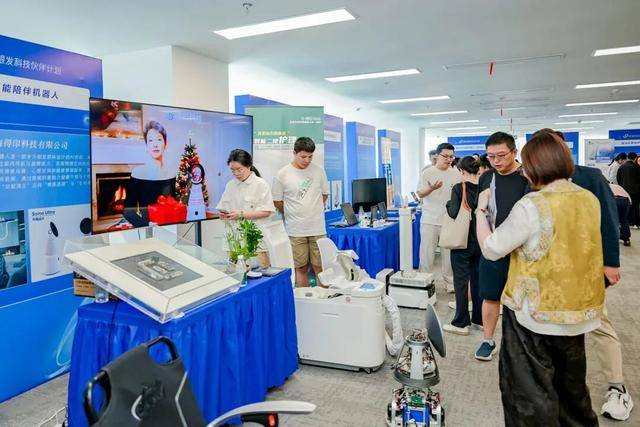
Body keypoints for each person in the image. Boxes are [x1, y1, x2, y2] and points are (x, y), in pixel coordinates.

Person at [476, 131, 605, 426]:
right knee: (572, 392)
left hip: (533, 315)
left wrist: (480, 212)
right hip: (577, 311)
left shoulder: (532, 204)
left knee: (529, 395)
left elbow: (492, 248)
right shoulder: (588, 198)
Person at [535, 128, 634, 421]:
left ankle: (617, 387)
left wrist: (611, 262)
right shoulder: (536, 181)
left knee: (599, 323)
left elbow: (608, 219)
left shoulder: (589, 177)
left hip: (585, 269)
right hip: (548, 271)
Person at [474, 132, 528, 361]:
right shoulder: (487, 178)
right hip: (492, 246)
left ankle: (520, 344)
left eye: (501, 155)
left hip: (521, 249)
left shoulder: (527, 177)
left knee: (521, 299)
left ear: (514, 152)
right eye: (491, 156)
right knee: (490, 294)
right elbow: (482, 212)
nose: (496, 161)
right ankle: (488, 340)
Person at [272, 137, 329, 287]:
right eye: (303, 157)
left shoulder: (319, 171)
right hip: (295, 230)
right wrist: (292, 212)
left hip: (317, 228)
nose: (307, 160)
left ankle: (323, 297)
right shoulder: (282, 174)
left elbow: (324, 195)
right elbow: (277, 201)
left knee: (320, 266)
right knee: (301, 267)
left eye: (310, 157)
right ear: (294, 153)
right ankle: (304, 298)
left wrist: (312, 209)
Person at [443, 156, 482, 335]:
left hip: (462, 243)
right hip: (480, 242)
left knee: (461, 283)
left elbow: (453, 212)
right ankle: (479, 320)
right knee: (477, 281)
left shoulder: (459, 188)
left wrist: (448, 204)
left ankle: (461, 323)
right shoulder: (484, 187)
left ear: (462, 171)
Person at [217, 149, 276, 268]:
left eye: (239, 170)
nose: (236, 173)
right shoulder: (230, 185)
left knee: (260, 273)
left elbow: (267, 211)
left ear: (249, 166)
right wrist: (224, 215)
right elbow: (223, 207)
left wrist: (241, 214)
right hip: (234, 240)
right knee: (234, 273)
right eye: (232, 170)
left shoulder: (260, 184)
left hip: (256, 240)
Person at [416, 142, 460, 291]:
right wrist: (431, 188)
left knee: (448, 256)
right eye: (445, 156)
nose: (449, 160)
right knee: (427, 254)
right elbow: (420, 193)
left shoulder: (456, 173)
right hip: (429, 219)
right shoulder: (427, 172)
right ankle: (425, 282)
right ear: (437, 155)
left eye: (451, 157)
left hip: (449, 220)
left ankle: (450, 283)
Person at [124, 121, 176, 227]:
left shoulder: (171, 173)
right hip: (146, 228)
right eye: (150, 140)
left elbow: (172, 205)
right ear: (146, 146)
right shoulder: (138, 173)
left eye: (159, 139)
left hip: (168, 227)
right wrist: (146, 224)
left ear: (165, 144)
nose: (155, 144)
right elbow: (128, 211)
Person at [617, 152, 640, 228]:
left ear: (627, 157)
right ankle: (636, 223)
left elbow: (618, 178)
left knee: (627, 207)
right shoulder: (637, 167)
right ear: (635, 158)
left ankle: (628, 222)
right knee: (635, 207)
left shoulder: (621, 167)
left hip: (624, 191)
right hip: (635, 191)